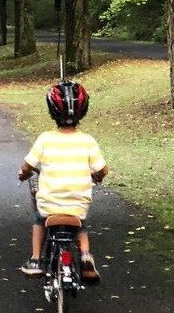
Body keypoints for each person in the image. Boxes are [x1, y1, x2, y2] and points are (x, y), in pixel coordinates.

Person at [18, 80, 108, 283]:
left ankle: (35, 260)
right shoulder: (87, 141)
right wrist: (98, 177)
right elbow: (102, 169)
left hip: (50, 204)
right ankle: (85, 256)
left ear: (52, 110)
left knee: (39, 220)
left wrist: (24, 174)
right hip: (77, 204)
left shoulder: (45, 139)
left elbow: (27, 166)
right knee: (81, 227)